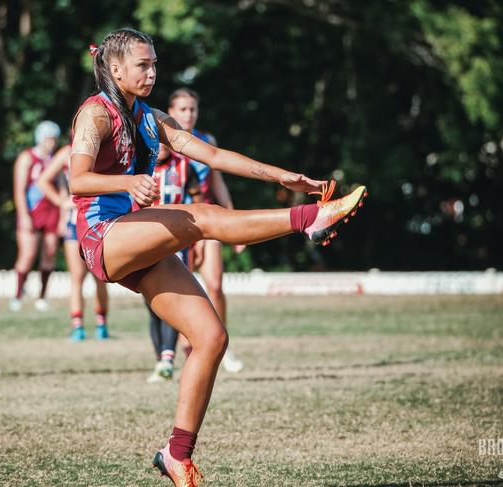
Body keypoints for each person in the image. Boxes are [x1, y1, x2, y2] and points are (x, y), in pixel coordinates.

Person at [72, 29, 366, 486]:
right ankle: (309, 219)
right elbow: (77, 180)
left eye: (154, 64)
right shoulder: (95, 114)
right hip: (103, 237)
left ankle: (176, 454)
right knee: (203, 216)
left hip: (137, 238)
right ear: (114, 69)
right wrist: (126, 184)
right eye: (142, 65)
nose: (152, 72)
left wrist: (282, 175)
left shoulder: (151, 117)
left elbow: (211, 154)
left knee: (210, 338)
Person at [167, 88, 245, 373]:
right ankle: (179, 349)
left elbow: (219, 184)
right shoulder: (164, 141)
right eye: (183, 109)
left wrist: (236, 224)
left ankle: (223, 346)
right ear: (171, 112)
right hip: (175, 222)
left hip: (208, 221)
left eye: (193, 109)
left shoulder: (207, 140)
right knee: (178, 290)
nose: (189, 114)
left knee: (214, 283)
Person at [37, 143, 110, 341]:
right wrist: (62, 202)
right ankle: (78, 326)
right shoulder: (67, 152)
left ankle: (101, 323)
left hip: (99, 221)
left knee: (100, 277)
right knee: (77, 278)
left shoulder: (104, 149)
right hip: (74, 223)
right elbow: (42, 181)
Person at [146, 143, 202, 383]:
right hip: (145, 237)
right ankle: (162, 359)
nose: (161, 146)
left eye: (164, 140)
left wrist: (199, 240)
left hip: (176, 237)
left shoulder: (184, 165)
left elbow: (199, 200)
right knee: (151, 302)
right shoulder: (138, 164)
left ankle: (167, 359)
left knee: (171, 297)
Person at [9, 121, 62, 312]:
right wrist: (24, 215)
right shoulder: (27, 158)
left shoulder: (55, 159)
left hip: (51, 213)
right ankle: (17, 295)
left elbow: (62, 187)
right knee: (28, 254)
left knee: (49, 254)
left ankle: (42, 296)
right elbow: (19, 190)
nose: (51, 143)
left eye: (54, 139)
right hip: (32, 212)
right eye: (48, 139)